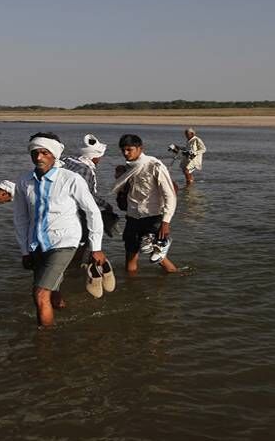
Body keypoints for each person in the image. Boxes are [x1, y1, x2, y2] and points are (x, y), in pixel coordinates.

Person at [13, 133, 107, 327]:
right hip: (37, 243)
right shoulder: (24, 181)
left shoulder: (71, 179)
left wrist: (95, 247)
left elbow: (92, 212)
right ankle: (62, 313)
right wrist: (24, 250)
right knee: (49, 292)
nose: (39, 157)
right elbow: (20, 218)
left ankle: (45, 345)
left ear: (54, 154)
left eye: (44, 152)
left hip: (65, 242)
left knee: (40, 293)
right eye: (35, 153)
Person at [112, 134, 178, 274]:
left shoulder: (154, 165)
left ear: (140, 148)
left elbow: (169, 195)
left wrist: (166, 222)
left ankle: (176, 275)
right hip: (133, 216)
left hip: (152, 216)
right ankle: (131, 287)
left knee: (158, 256)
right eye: (123, 150)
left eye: (129, 149)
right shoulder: (127, 168)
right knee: (131, 253)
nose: (125, 153)